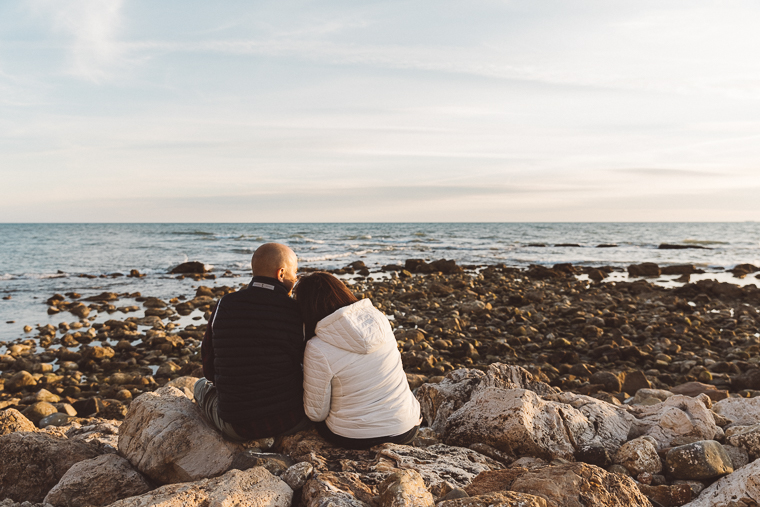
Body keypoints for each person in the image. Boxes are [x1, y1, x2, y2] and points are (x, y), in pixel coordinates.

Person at [194, 243, 310, 441]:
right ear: (281, 273)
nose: (296, 278)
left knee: (199, 384)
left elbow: (209, 368)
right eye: (295, 272)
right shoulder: (297, 311)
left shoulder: (225, 304)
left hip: (237, 427)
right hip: (290, 420)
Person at [296, 272, 421, 449]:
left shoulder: (317, 347)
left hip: (357, 437)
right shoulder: (379, 320)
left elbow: (316, 413)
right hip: (406, 427)